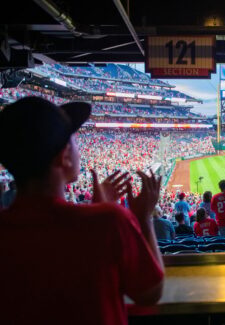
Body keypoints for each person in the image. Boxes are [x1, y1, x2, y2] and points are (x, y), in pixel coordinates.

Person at [0, 97, 164, 325]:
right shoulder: (109, 221)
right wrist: (144, 219)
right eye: (73, 139)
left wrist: (97, 209)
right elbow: (150, 293)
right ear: (64, 156)